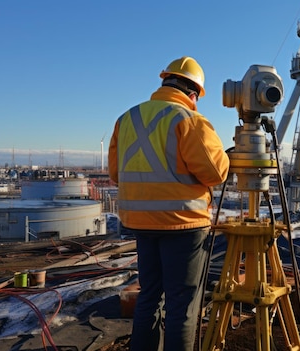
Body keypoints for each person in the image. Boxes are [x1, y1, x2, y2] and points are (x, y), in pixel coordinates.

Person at [108, 56, 230, 351]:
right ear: (192, 94)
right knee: (182, 305)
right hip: (183, 225)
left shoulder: (127, 118)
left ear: (165, 82)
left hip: (141, 224)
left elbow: (115, 173)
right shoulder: (188, 120)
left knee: (149, 296)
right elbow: (215, 173)